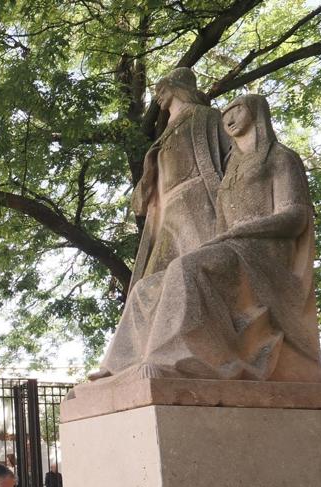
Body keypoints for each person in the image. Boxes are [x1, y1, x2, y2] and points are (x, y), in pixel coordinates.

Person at [90, 93, 321, 383]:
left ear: (256, 112)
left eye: (237, 108)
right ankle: (121, 365)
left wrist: (242, 231)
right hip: (231, 247)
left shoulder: (281, 157)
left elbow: (296, 216)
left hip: (264, 252)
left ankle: (171, 359)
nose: (229, 116)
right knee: (144, 287)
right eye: (226, 110)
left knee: (185, 268)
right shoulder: (231, 172)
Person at [90, 67, 229, 380]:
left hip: (198, 202)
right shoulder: (165, 133)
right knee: (145, 286)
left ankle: (187, 355)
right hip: (167, 214)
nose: (157, 95)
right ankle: (121, 363)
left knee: (193, 278)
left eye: (162, 88)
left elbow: (232, 160)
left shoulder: (207, 118)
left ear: (177, 87)